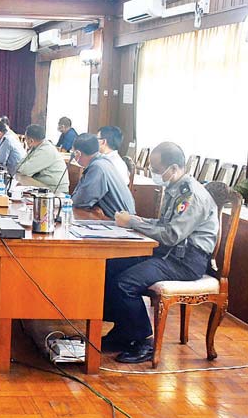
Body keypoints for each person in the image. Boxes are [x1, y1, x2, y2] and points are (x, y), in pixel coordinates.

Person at [104, 142, 219, 363]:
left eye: (157, 170)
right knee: (110, 266)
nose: (154, 174)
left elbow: (171, 235)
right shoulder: (175, 187)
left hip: (186, 261)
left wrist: (134, 223)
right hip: (169, 254)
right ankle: (123, 332)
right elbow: (164, 224)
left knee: (125, 283)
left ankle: (143, 340)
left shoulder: (191, 195)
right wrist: (136, 220)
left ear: (173, 168)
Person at [70, 133, 135, 219]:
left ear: (77, 154)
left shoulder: (97, 168)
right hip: (120, 218)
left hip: (118, 222)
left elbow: (80, 201)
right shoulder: (103, 162)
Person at [16, 124, 69, 194]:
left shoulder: (46, 150)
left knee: (22, 178)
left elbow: (23, 171)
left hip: (56, 190)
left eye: (25, 139)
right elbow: (19, 167)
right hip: (44, 184)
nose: (25, 141)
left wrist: (20, 169)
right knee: (20, 178)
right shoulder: (37, 147)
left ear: (31, 141)